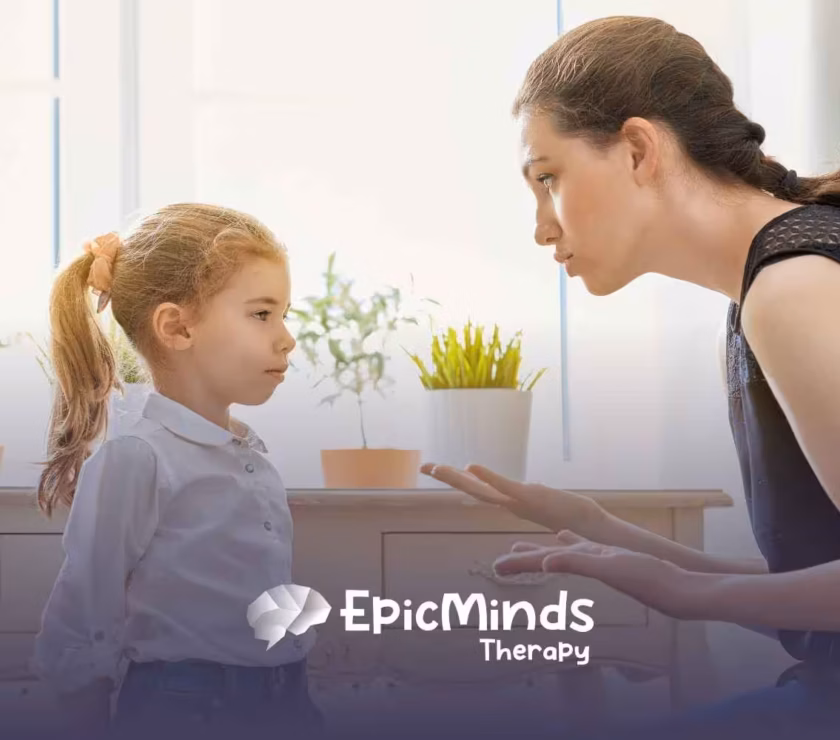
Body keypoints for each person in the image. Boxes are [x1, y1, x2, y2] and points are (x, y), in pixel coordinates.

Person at [422, 15, 840, 740]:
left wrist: (690, 593)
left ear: (640, 149)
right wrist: (600, 529)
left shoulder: (793, 289)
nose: (541, 227)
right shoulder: (763, 295)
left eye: (548, 178)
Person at [30, 204, 324, 739]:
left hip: (285, 698)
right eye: (262, 314)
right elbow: (81, 616)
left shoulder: (251, 455)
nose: (287, 338)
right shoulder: (136, 459)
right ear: (177, 327)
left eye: (284, 314)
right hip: (190, 710)